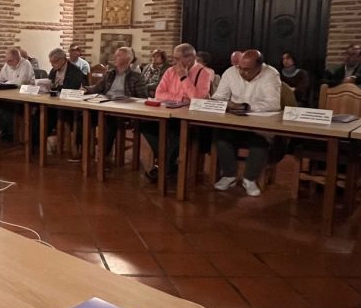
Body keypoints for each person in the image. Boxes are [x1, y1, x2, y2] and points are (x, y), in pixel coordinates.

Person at [212, 49, 282, 197]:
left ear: (259, 67)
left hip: (259, 123)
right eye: (240, 68)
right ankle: (229, 176)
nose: (242, 73)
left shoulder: (271, 74)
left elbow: (273, 103)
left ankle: (249, 179)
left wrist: (245, 107)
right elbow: (218, 97)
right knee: (220, 136)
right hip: (235, 122)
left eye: (247, 69)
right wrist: (227, 104)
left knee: (261, 139)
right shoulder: (231, 72)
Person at [141, 43, 213, 181]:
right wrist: (182, 98)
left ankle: (164, 168)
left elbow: (197, 99)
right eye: (173, 58)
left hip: (191, 118)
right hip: (168, 113)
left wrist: (184, 77)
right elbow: (159, 93)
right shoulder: (170, 71)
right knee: (146, 126)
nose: (174, 62)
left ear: (190, 58)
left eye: (177, 59)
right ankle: (167, 164)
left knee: (177, 132)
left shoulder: (203, 72)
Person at [85, 46, 147, 157]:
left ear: (127, 59)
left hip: (123, 111)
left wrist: (128, 99)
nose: (115, 57)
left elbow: (142, 97)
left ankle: (103, 156)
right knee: (83, 116)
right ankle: (84, 152)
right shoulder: (110, 74)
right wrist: (85, 89)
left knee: (109, 122)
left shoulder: (136, 76)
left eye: (118, 55)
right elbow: (97, 88)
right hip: (104, 105)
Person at [30, 48, 84, 149]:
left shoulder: (75, 71)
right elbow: (50, 82)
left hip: (68, 105)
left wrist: (54, 87)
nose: (52, 65)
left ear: (62, 59)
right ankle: (34, 142)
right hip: (54, 101)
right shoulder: (54, 70)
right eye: (51, 62)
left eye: (54, 62)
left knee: (49, 114)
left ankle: (37, 142)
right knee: (38, 112)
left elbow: (72, 88)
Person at [0, 48, 36, 143]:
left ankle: (11, 133)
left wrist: (6, 83)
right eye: (6, 60)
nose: (7, 63)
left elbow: (21, 82)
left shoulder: (26, 64)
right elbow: (0, 77)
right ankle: (6, 130)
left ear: (17, 59)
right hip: (9, 95)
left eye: (10, 61)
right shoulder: (8, 64)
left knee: (5, 108)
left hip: (23, 97)